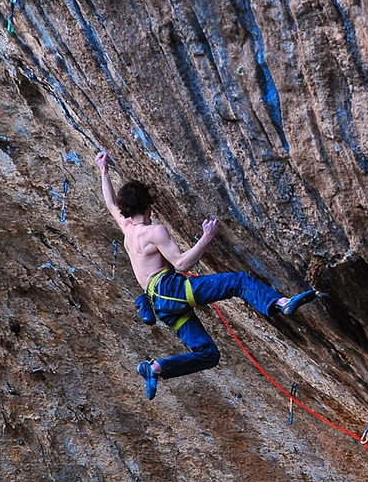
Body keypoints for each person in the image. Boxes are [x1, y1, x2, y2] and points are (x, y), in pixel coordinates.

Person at [96, 151, 317, 399]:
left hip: (161, 306)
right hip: (171, 290)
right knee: (238, 281)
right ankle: (282, 303)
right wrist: (206, 237)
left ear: (128, 209)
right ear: (148, 205)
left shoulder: (127, 229)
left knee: (209, 354)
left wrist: (104, 170)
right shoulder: (153, 231)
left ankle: (156, 368)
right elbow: (180, 263)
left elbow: (110, 204)